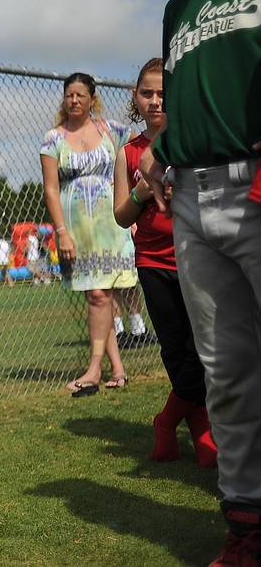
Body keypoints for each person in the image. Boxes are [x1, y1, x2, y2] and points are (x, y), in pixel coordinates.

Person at [136, 0, 261, 560]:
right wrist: (160, 147)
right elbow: (181, 102)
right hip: (194, 199)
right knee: (229, 375)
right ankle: (247, 527)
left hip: (258, 183)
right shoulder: (179, 3)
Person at [113, 57, 215, 468]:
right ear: (135, 99)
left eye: (163, 94)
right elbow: (121, 215)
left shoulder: (196, 142)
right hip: (152, 262)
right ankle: (202, 432)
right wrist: (142, 191)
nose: (155, 101)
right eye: (147, 93)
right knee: (175, 350)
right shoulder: (129, 151)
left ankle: (166, 420)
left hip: (199, 255)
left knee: (204, 350)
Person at [39, 72, 138, 397]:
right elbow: (51, 191)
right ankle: (116, 369)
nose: (74, 100)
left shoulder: (114, 132)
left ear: (92, 98)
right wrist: (62, 232)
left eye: (81, 95)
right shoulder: (53, 139)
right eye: (69, 95)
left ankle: (96, 371)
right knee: (98, 297)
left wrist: (133, 203)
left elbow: (139, 155)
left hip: (110, 226)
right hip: (76, 230)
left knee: (102, 296)